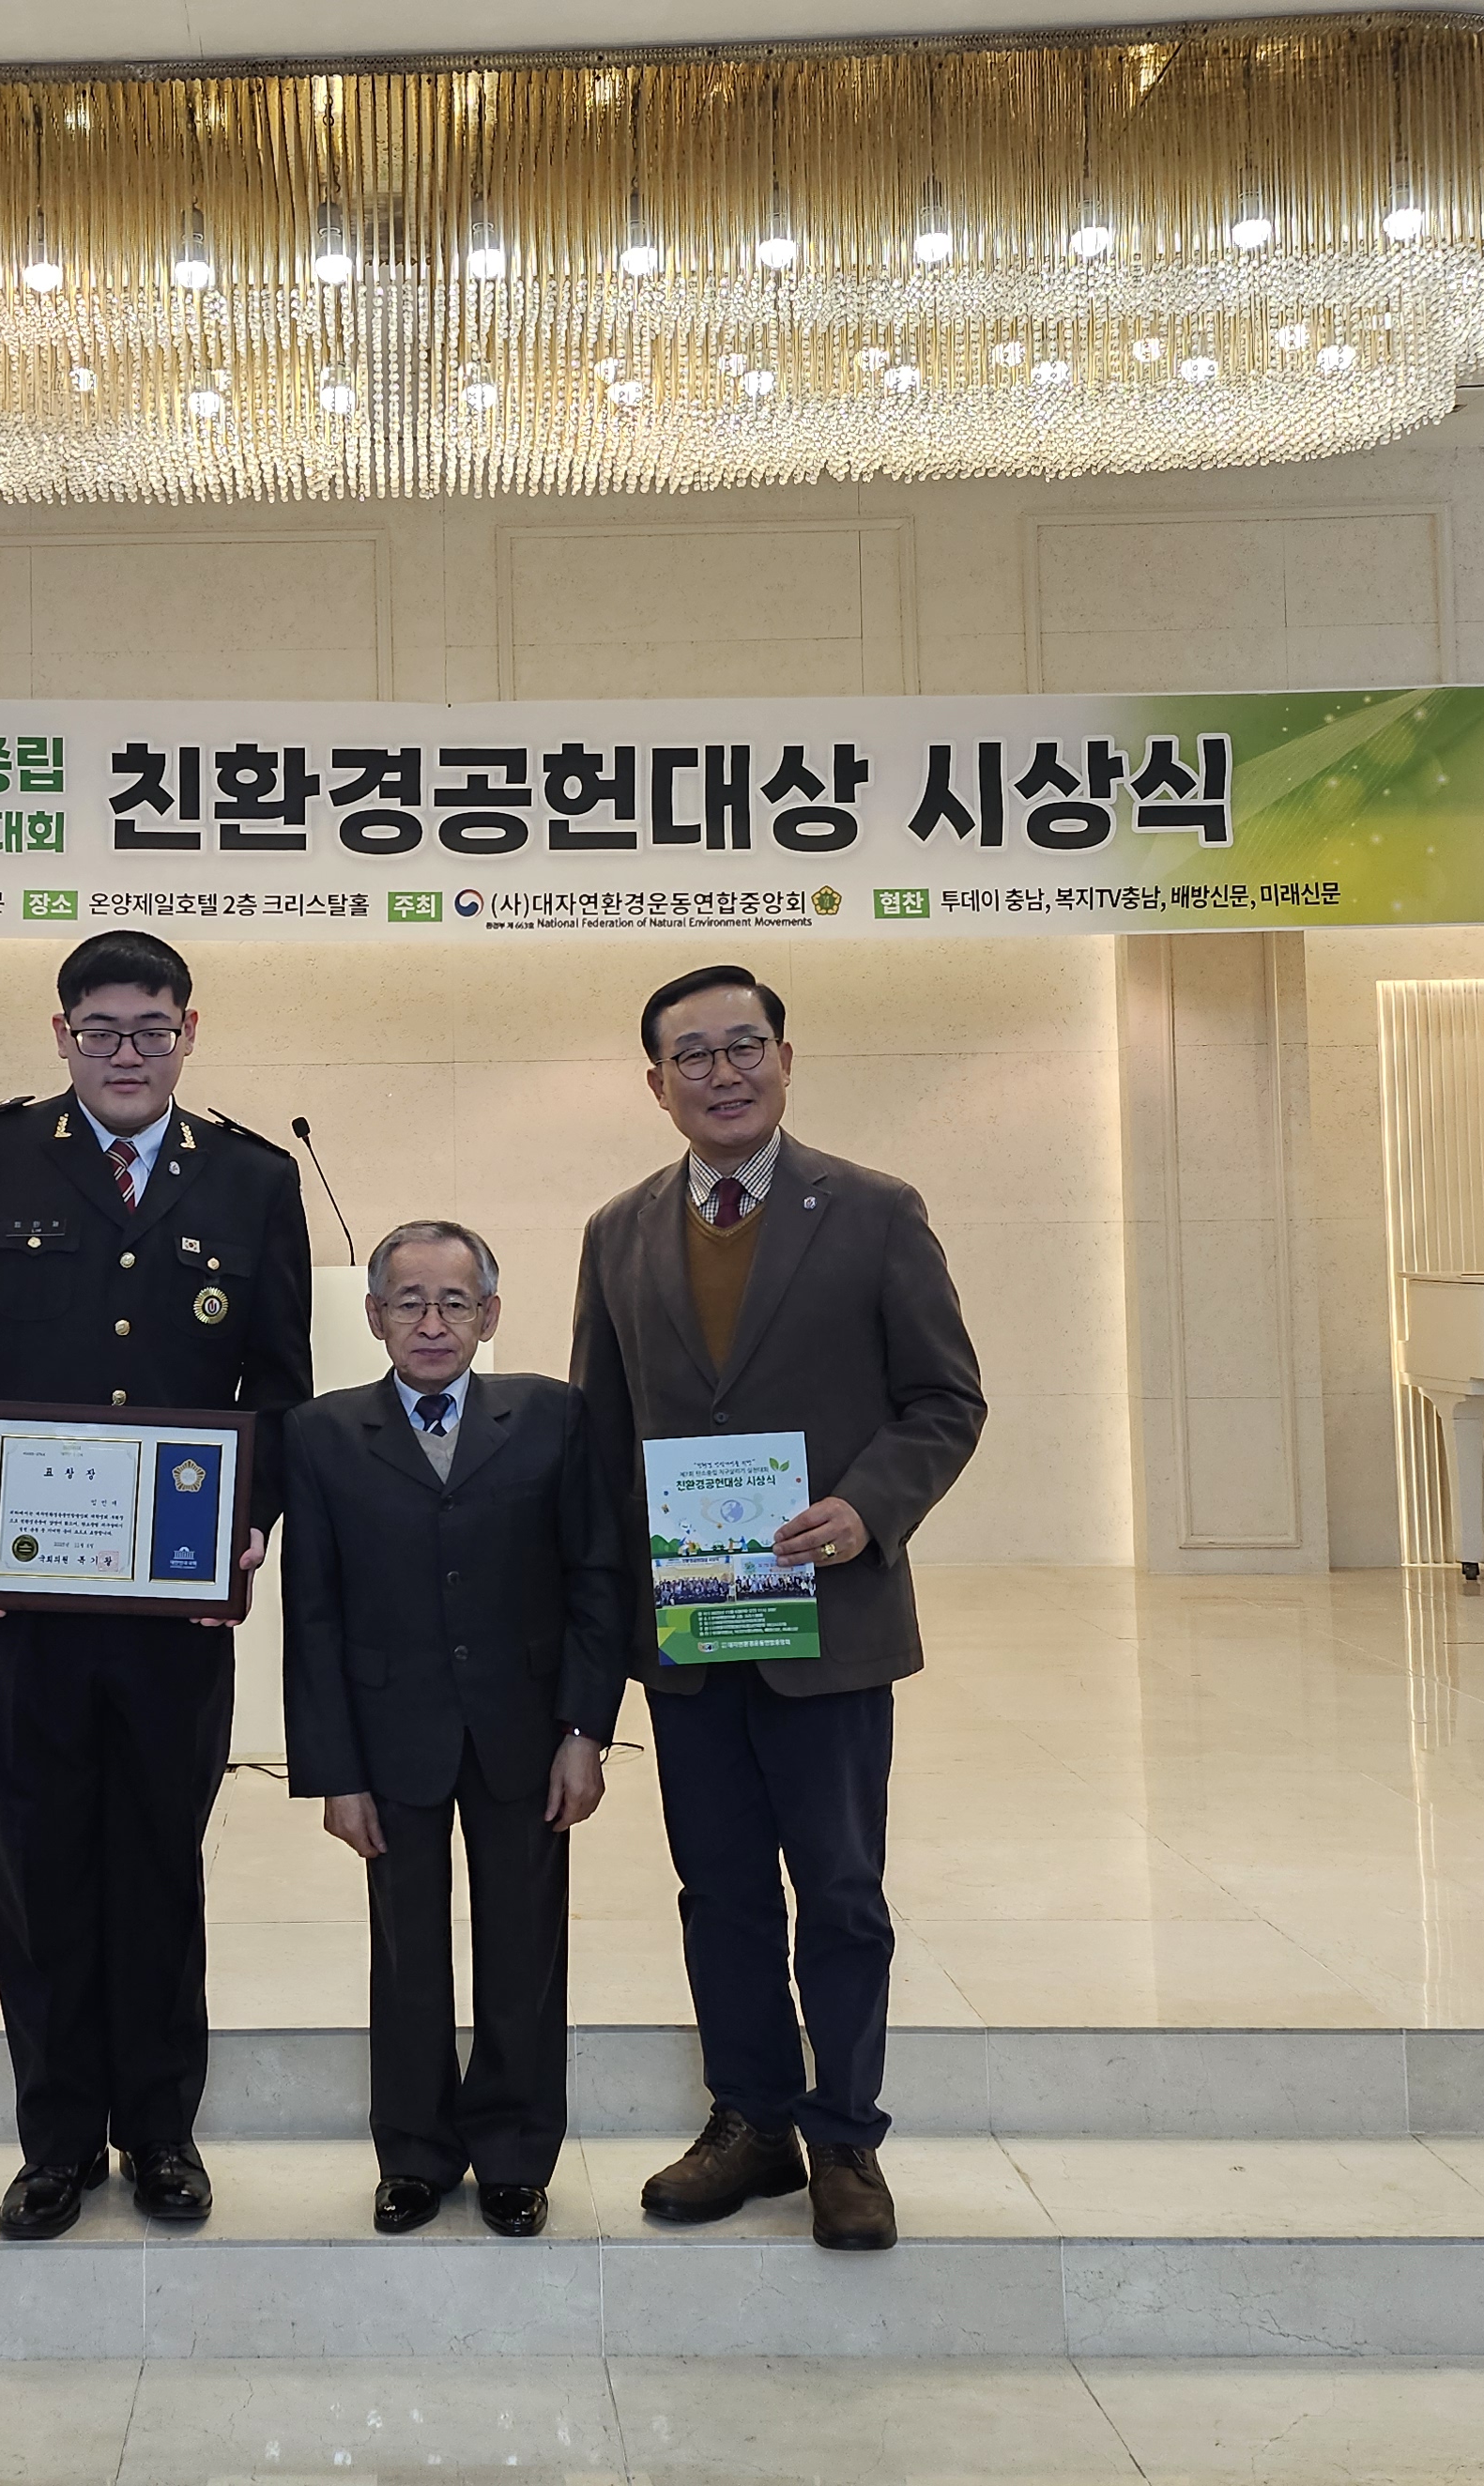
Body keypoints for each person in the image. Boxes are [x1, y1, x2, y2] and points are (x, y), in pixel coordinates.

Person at [0, 930, 314, 2241]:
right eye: (102, 1031)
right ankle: (57, 2142)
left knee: (160, 1858)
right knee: (35, 1863)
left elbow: (278, 1385)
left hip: (175, 1602)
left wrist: (249, 1520)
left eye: (153, 1030)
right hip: (16, 1604)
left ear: (190, 1033)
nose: (128, 1054)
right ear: (60, 1034)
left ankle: (162, 2133)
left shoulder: (252, 1179)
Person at [569, 963, 985, 2252]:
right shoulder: (617, 1232)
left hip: (831, 1625)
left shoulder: (874, 1213)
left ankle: (845, 2135)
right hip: (692, 1634)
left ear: (787, 1061)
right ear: (655, 1085)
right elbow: (602, 1444)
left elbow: (945, 1401)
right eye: (691, 1055)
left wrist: (866, 1507)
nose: (722, 1073)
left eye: (744, 1046)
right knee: (721, 1891)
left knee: (842, 1893)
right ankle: (750, 2123)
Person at [282, 1221, 627, 2239]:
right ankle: (415, 2154)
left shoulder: (553, 1416)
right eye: (409, 1302)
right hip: (392, 1739)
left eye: (454, 1303)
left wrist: (585, 1729)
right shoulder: (322, 1434)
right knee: (407, 1954)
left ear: (490, 1314)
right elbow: (313, 1616)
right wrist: (335, 1772)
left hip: (526, 1733)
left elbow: (594, 1579)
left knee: (524, 1948)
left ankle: (516, 2154)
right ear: (373, 1315)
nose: (431, 1323)